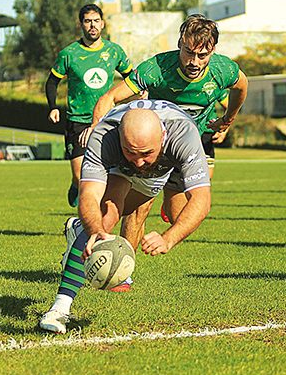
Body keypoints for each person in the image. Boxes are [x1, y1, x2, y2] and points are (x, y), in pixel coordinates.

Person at [85, 14, 247, 287]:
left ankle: (167, 197)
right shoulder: (156, 68)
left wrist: (229, 118)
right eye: (188, 52)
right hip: (155, 146)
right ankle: (123, 271)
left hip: (194, 142)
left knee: (179, 215)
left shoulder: (224, 69)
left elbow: (242, 86)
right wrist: (97, 129)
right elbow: (110, 97)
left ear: (213, 51)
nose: (194, 62)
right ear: (179, 44)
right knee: (137, 209)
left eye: (202, 55)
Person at [38, 100, 212, 334]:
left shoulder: (185, 135)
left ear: (162, 136)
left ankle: (78, 228)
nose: (139, 162)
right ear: (120, 137)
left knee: (178, 216)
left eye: (146, 153)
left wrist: (169, 238)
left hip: (163, 171)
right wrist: (96, 230)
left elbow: (201, 200)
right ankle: (60, 308)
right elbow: (88, 194)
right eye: (131, 151)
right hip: (118, 169)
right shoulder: (103, 136)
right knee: (107, 216)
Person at [45, 4, 133, 208]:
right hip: (77, 121)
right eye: (87, 21)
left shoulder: (114, 51)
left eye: (95, 21)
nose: (92, 25)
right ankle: (75, 186)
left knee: (109, 175)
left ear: (102, 23)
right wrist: (53, 106)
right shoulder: (69, 53)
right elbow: (52, 81)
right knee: (80, 176)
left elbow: (131, 77)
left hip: (107, 120)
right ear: (81, 25)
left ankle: (96, 219)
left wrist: (141, 92)